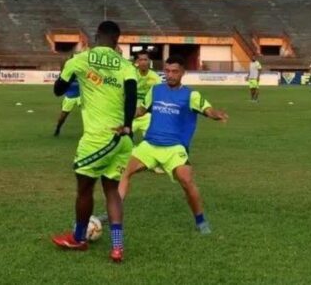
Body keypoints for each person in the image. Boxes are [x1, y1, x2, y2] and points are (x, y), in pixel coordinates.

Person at [50, 21, 138, 263]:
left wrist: (77, 77)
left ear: (96, 36)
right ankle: (117, 248)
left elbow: (59, 90)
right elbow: (131, 95)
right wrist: (128, 125)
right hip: (123, 138)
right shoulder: (125, 65)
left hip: (98, 138)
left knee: (84, 189)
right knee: (111, 190)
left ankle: (78, 238)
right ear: (117, 40)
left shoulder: (80, 59)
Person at [118, 55, 228, 235]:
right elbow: (141, 110)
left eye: (174, 71)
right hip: (150, 145)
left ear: (183, 73)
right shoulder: (155, 90)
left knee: (186, 180)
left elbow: (207, 110)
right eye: (167, 71)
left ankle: (200, 221)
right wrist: (124, 116)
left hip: (174, 148)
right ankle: (115, 211)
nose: (170, 75)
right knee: (124, 172)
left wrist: (216, 114)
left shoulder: (191, 95)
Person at [132, 51, 162, 139]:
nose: (143, 62)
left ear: (149, 61)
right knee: (123, 142)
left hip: (147, 115)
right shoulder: (131, 74)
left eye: (145, 59)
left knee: (151, 142)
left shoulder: (155, 78)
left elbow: (159, 97)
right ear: (137, 62)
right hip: (130, 115)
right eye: (141, 60)